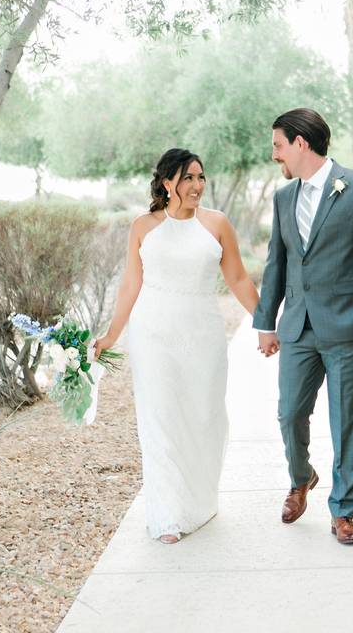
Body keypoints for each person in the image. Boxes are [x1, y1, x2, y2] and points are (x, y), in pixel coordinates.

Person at [92, 148, 260, 544]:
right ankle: (167, 514)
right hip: (153, 334)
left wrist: (268, 324)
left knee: (205, 417)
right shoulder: (143, 227)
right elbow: (131, 283)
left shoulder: (217, 224)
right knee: (160, 418)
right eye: (188, 178)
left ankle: (199, 501)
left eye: (201, 177)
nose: (197, 186)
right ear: (168, 182)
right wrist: (112, 335)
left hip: (203, 333)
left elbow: (237, 278)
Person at [253, 108, 353, 546]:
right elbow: (276, 262)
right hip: (298, 326)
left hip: (349, 327)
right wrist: (266, 322)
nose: (274, 154)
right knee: (289, 413)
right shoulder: (283, 198)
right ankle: (302, 477)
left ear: (300, 143)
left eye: (278, 145)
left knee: (346, 421)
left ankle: (343, 511)